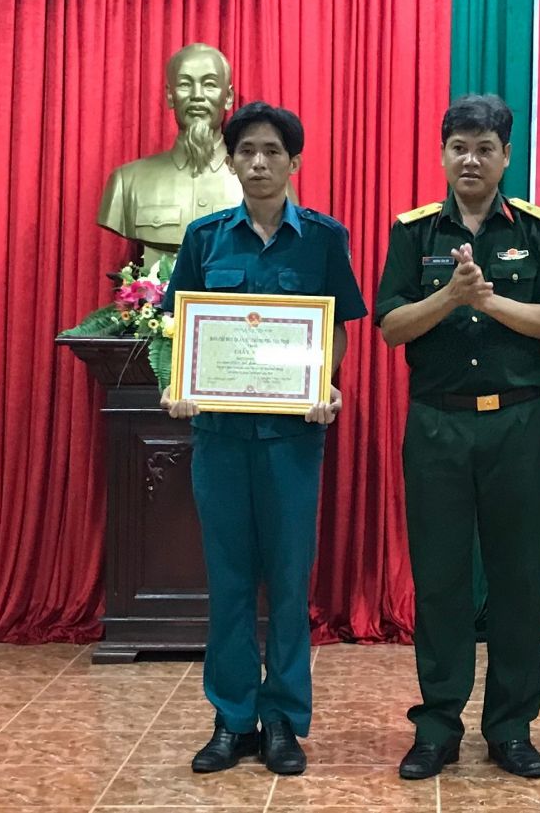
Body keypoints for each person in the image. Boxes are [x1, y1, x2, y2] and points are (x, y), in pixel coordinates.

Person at [159, 101, 367, 776]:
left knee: (286, 582)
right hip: (220, 438)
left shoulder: (324, 238)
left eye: (272, 151)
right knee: (227, 583)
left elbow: (336, 326)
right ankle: (231, 719)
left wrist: (324, 383)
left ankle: (282, 719)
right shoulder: (204, 238)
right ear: (231, 160)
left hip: (291, 440)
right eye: (246, 150)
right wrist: (178, 383)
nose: (258, 162)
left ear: (294, 161)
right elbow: (180, 326)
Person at [375, 94, 540, 780]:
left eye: (485, 148)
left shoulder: (539, 230)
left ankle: (512, 728)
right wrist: (450, 297)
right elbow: (391, 327)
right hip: (437, 424)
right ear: (443, 154)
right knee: (439, 579)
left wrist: (488, 299)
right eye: (459, 147)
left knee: (518, 578)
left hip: (517, 422)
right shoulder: (414, 233)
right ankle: (437, 726)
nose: (471, 159)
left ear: (506, 156)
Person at [100, 43, 243, 265]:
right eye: (185, 84)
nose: (197, 95)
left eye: (209, 84)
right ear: (169, 95)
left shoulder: (266, 184)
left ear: (228, 97)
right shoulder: (126, 182)